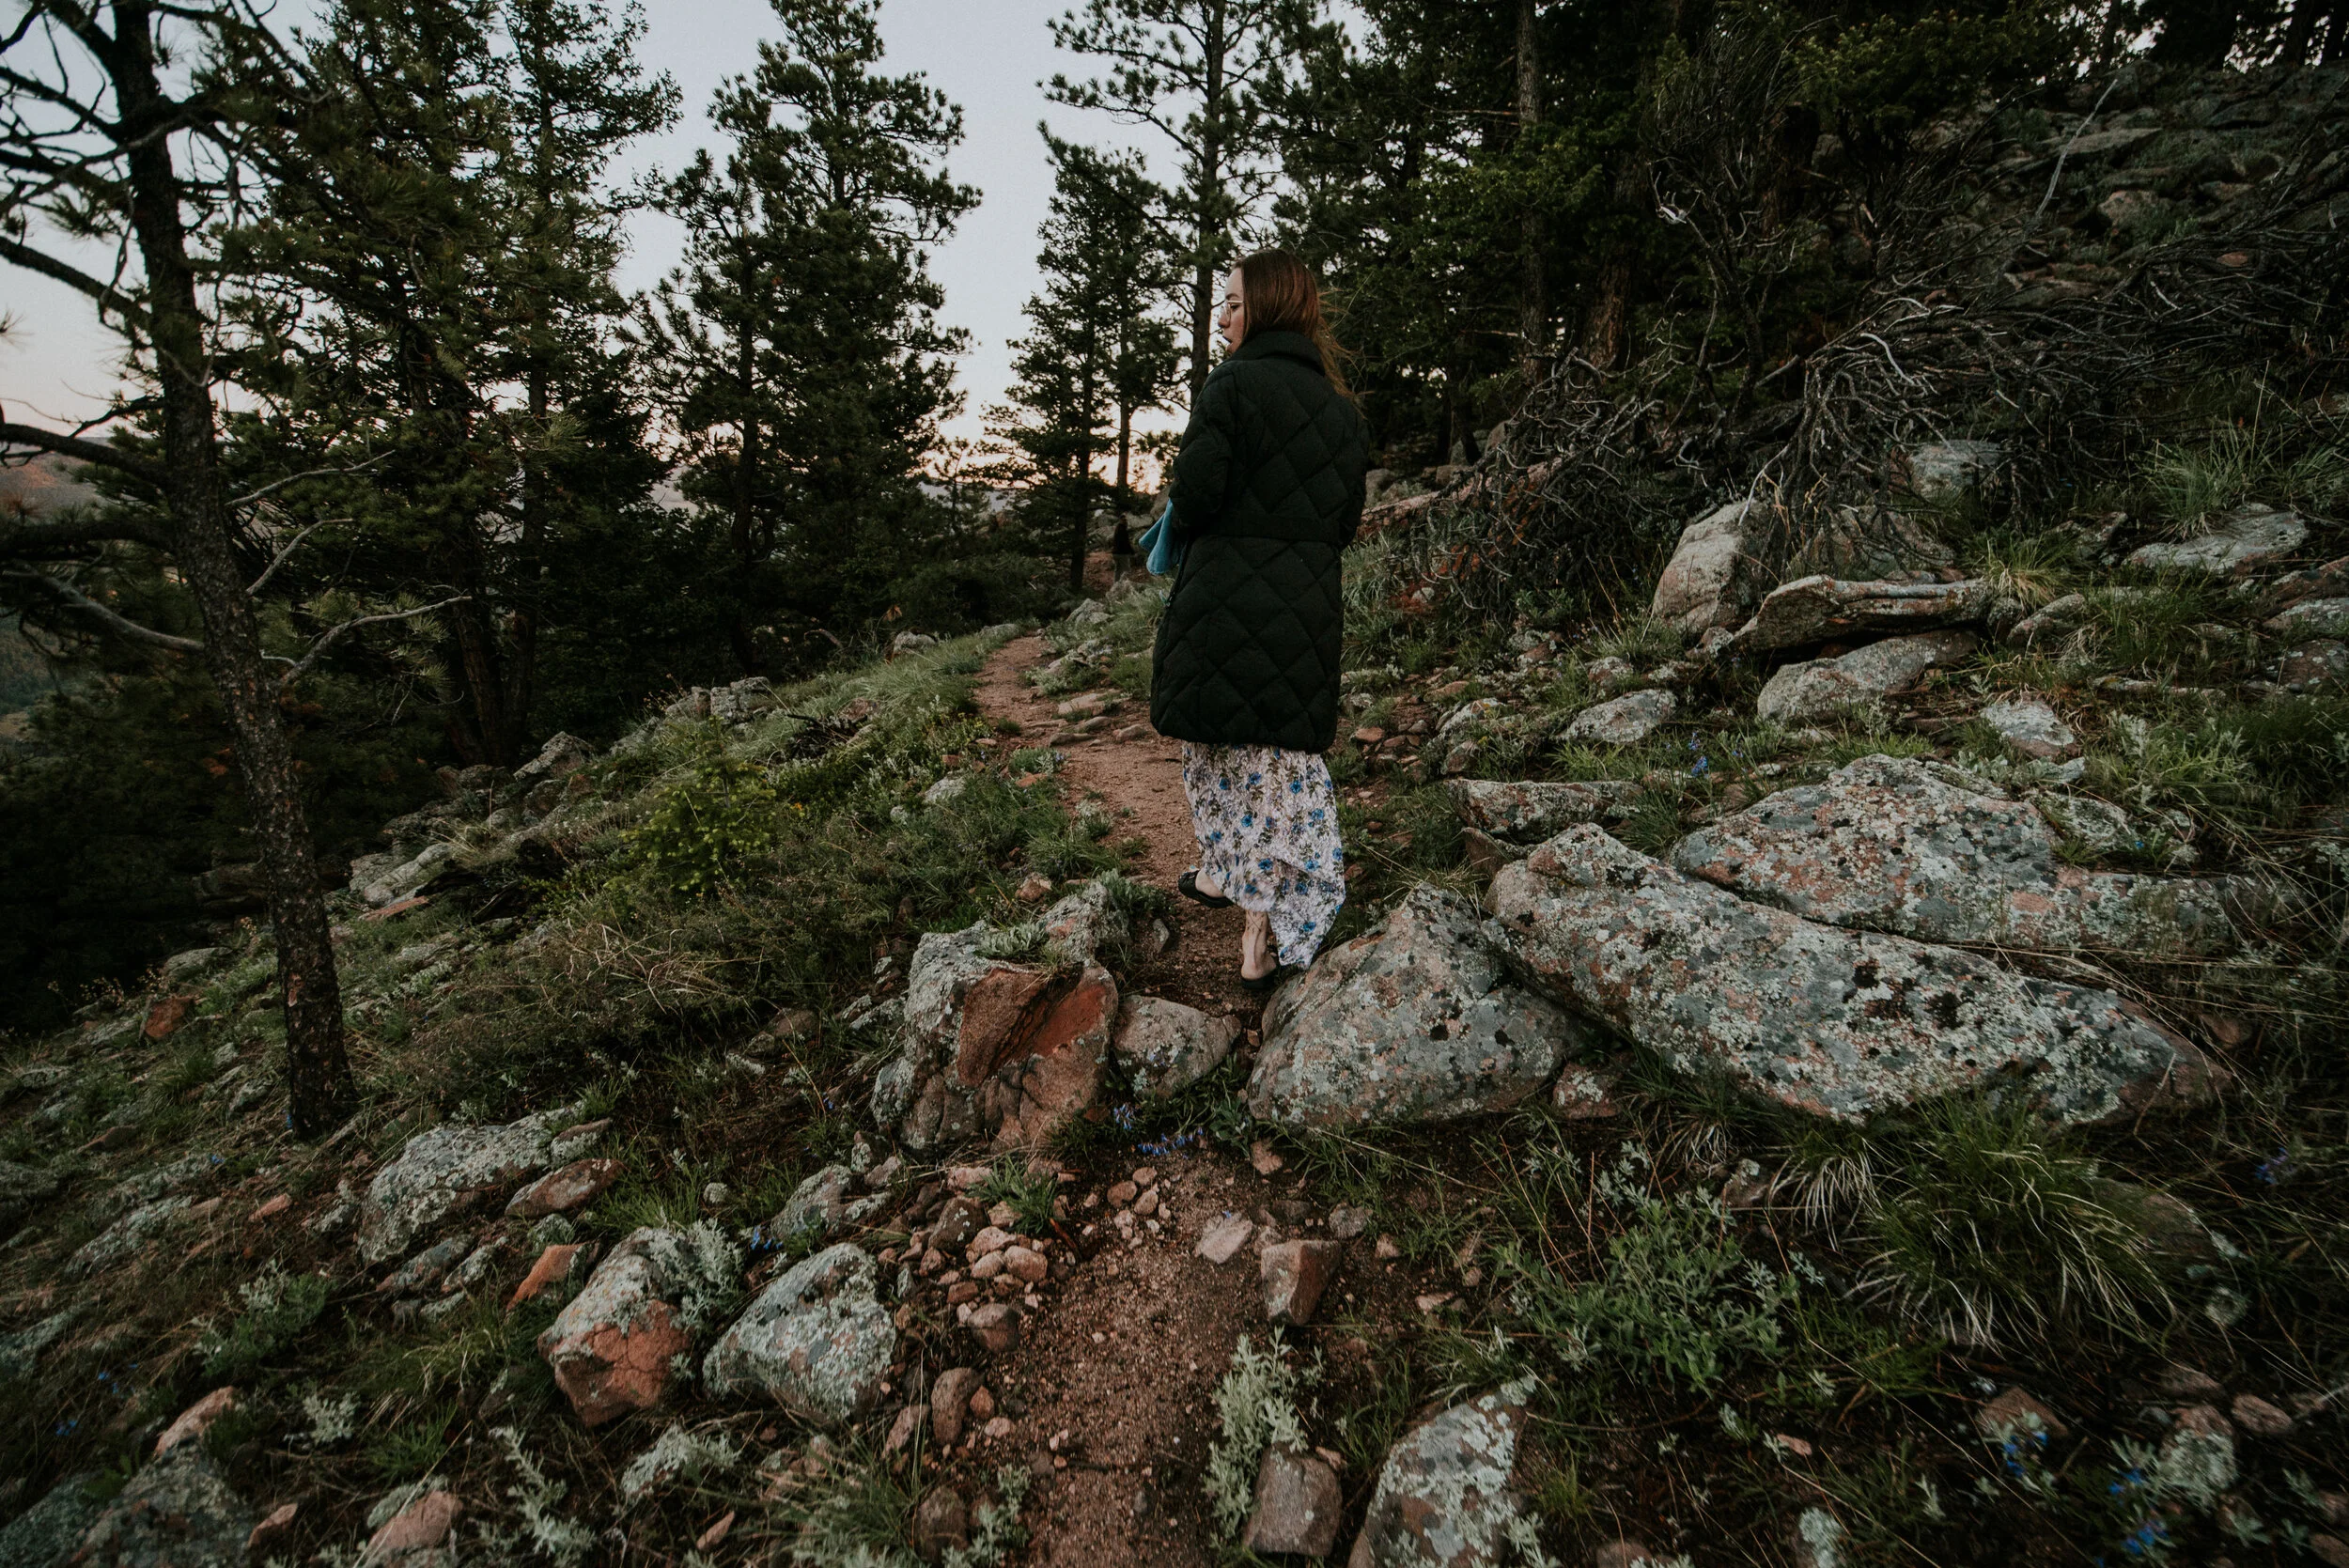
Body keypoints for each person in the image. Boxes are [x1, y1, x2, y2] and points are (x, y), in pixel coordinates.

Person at [1148, 250, 1369, 991]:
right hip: (1305, 608)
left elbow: (1200, 495)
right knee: (1281, 764)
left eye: (1235, 304)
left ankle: (1231, 872)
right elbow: (1343, 521)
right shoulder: (1342, 413)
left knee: (1219, 748)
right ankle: (1261, 927)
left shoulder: (1231, 386)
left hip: (1224, 602)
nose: (1223, 319)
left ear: (1268, 309)